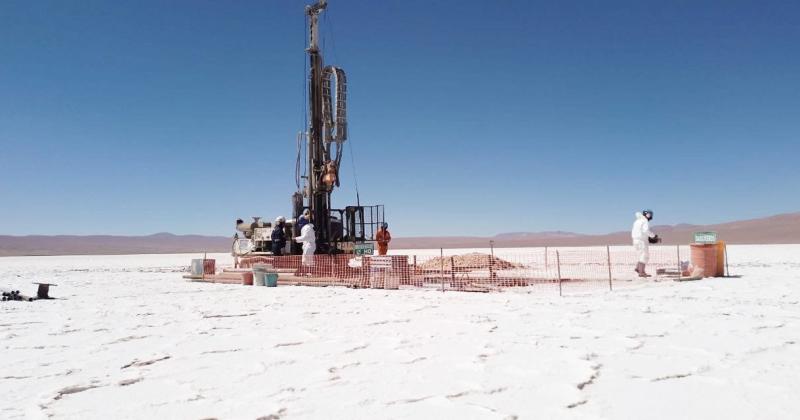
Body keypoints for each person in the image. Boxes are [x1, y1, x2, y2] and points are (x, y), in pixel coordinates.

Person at [631, 209, 659, 277]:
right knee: (644, 256)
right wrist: (653, 236)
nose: (650, 216)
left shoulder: (637, 221)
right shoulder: (644, 221)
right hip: (641, 241)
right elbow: (646, 230)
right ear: (647, 214)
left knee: (640, 255)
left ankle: (638, 268)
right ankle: (642, 272)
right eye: (650, 214)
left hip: (635, 240)